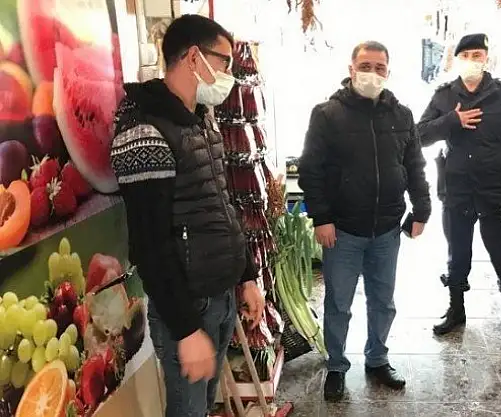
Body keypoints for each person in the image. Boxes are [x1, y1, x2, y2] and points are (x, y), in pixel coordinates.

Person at [108, 15, 265, 417]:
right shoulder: (143, 130)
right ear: (195, 57)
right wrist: (186, 329)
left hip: (220, 296)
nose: (230, 74)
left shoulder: (201, 119)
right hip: (189, 306)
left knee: (202, 406)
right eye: (225, 62)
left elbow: (221, 204)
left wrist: (246, 276)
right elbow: (150, 243)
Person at [299, 41, 432, 402]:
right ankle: (336, 366)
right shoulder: (327, 114)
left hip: (387, 229)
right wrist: (321, 218)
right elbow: (311, 170)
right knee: (339, 304)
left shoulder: (401, 115)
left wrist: (421, 208)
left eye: (379, 67)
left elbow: (415, 165)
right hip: (342, 230)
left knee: (383, 302)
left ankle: (377, 359)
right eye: (365, 66)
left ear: (388, 71)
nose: (372, 73)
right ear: (351, 68)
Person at [417, 33, 501, 340]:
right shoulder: (444, 96)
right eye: (465, 56)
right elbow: (419, 135)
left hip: (496, 189)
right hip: (456, 189)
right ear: (456, 59)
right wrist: (451, 121)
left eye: (477, 55)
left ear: (486, 58)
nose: (471, 61)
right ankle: (456, 309)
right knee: (457, 254)